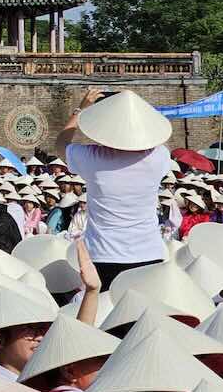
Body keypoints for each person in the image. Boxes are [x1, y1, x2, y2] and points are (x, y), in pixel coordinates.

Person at [54, 88, 173, 287]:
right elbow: (156, 138)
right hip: (149, 252)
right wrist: (135, 109)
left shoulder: (92, 157)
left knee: (105, 313)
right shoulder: (159, 156)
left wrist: (80, 109)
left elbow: (60, 144)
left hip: (103, 255)